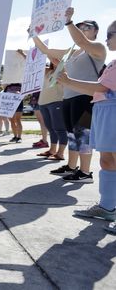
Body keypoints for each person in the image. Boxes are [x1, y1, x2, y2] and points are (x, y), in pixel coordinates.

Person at [32, 7, 106, 183]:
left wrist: (69, 21)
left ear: (96, 31)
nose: (82, 29)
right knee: (72, 134)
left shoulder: (97, 48)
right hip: (69, 97)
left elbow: (82, 42)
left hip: (86, 97)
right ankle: (72, 167)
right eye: (80, 27)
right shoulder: (72, 52)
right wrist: (33, 34)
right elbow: (46, 51)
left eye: (86, 27)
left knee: (83, 135)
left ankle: (86, 173)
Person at [56, 20, 116, 232]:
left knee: (105, 154)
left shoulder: (99, 51)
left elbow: (101, 86)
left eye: (111, 34)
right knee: (108, 161)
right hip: (104, 110)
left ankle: (84, 173)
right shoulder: (112, 62)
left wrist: (69, 81)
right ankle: (107, 207)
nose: (107, 39)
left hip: (111, 110)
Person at [36, 59, 68, 161]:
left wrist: (61, 64)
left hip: (56, 101)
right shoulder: (48, 71)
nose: (53, 60)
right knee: (50, 128)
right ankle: (52, 150)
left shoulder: (64, 71)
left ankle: (60, 153)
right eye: (51, 59)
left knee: (59, 128)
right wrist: (24, 55)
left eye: (56, 58)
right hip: (43, 103)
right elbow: (34, 66)